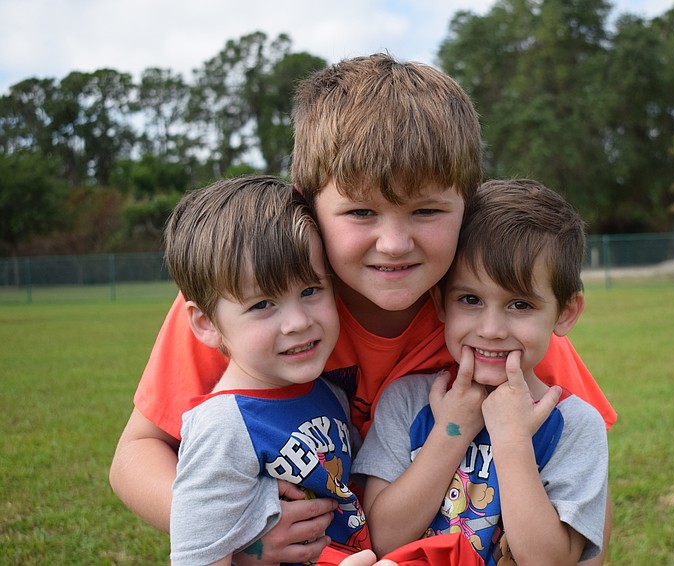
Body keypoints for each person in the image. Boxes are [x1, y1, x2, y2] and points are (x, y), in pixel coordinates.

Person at [109, 54, 616, 565]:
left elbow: (586, 488)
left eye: (426, 210)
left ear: (468, 203)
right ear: (308, 203)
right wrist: (243, 531)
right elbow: (136, 453)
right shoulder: (249, 299)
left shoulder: (490, 317)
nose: (394, 244)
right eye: (360, 212)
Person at [353, 179, 608, 565]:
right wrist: (449, 432)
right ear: (441, 303)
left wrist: (513, 440)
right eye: (470, 299)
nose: (491, 329)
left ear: (565, 313)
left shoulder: (575, 425)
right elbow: (384, 540)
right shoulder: (406, 401)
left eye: (520, 305)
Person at [162, 175, 370, 565]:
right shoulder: (223, 426)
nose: (297, 322)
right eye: (262, 304)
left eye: (310, 291)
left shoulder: (330, 391)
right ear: (206, 324)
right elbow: (197, 557)